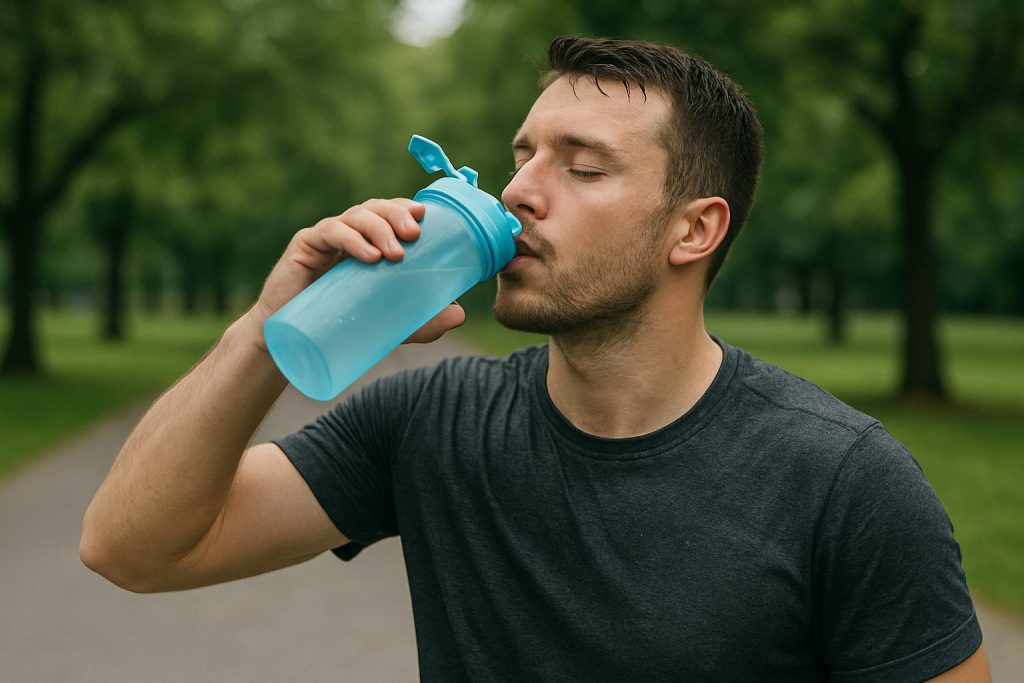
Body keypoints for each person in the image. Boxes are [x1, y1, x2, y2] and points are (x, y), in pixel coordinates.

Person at [81, 36, 990, 681]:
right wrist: (265, 328)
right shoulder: (430, 425)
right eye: (523, 156)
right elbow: (133, 547)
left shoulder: (844, 481)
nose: (518, 192)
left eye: (581, 167)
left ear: (694, 229)